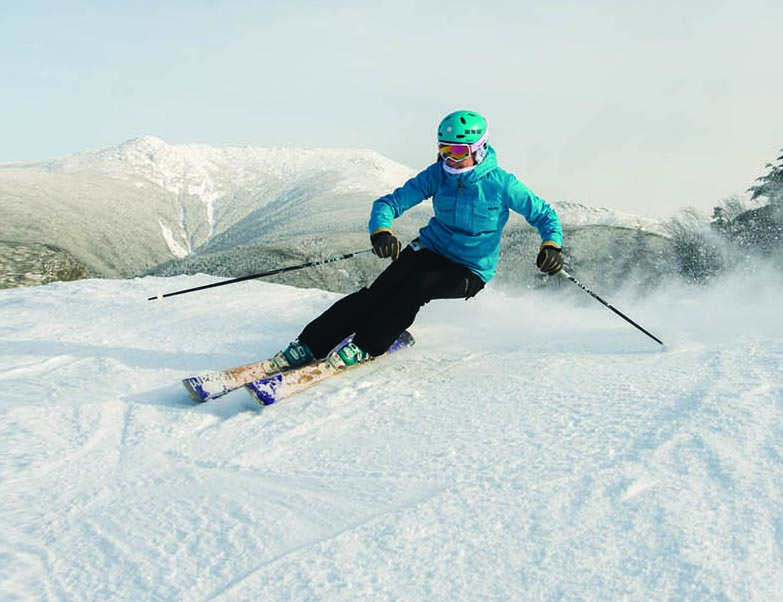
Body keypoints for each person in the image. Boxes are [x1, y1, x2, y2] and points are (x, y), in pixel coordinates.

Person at [273, 110, 563, 370]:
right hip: (430, 249)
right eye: (444, 150)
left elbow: (545, 215)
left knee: (416, 287)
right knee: (377, 293)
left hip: (470, 268)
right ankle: (309, 344)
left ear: (479, 149)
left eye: (457, 152)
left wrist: (551, 245)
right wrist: (381, 231)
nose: (449, 159)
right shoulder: (438, 174)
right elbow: (389, 203)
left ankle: (367, 345)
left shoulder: (502, 184)